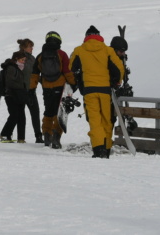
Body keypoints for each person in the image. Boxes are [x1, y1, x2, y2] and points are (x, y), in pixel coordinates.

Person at [68, 25, 124, 158]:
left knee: (94, 120)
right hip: (105, 91)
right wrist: (117, 81)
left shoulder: (79, 50)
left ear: (86, 37)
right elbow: (119, 68)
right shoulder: (107, 50)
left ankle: (98, 150)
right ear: (98, 36)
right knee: (107, 120)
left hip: (89, 90)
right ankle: (107, 149)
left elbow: (71, 67)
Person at [30, 31, 77, 149]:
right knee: (60, 112)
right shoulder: (62, 54)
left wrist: (31, 89)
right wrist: (74, 83)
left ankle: (46, 135)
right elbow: (67, 71)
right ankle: (56, 136)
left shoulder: (40, 56)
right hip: (60, 87)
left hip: (46, 88)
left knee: (48, 111)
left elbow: (34, 74)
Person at [18, 38, 44, 143]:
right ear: (24, 47)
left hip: (29, 90)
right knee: (22, 114)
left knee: (34, 113)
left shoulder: (32, 58)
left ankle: (37, 136)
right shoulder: (20, 57)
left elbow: (36, 74)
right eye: (30, 46)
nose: (32, 48)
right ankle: (22, 137)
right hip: (22, 90)